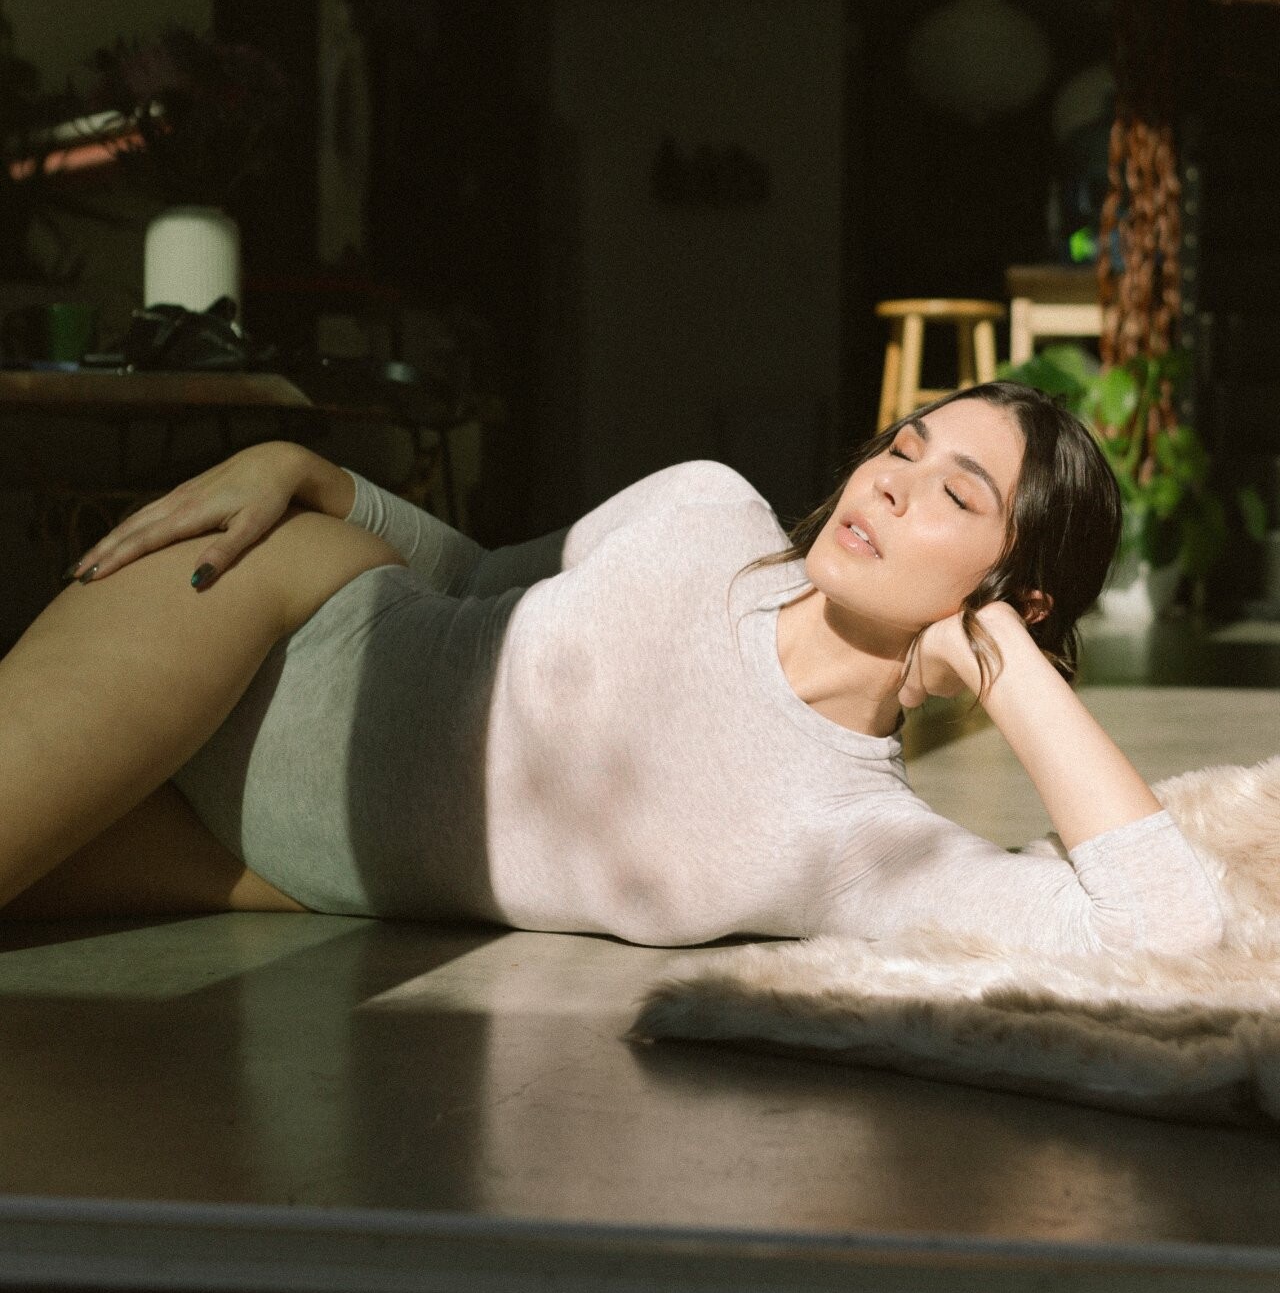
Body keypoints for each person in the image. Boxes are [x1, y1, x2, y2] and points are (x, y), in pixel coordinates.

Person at [5, 382, 1226, 957]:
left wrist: (1004, 659)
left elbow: (1162, 928)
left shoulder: (851, 840)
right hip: (266, 612)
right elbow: (478, 581)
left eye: (954, 495)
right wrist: (317, 478)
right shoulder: (706, 509)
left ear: (1018, 589)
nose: (894, 483)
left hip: (250, 862)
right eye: (900, 450)